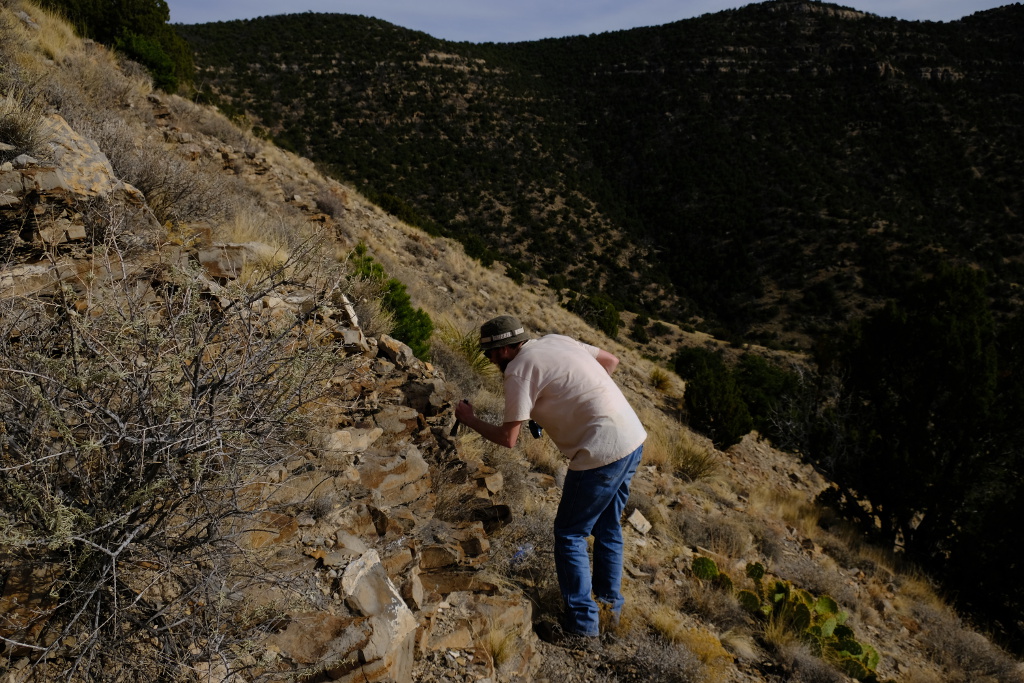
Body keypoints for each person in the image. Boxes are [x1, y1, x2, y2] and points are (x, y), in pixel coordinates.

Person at [454, 314, 646, 640]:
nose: (490, 361)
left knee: (570, 534)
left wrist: (469, 419)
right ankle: (609, 613)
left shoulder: (517, 371)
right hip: (631, 439)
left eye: (488, 354)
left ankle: (582, 628)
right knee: (608, 529)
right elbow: (610, 361)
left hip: (599, 454)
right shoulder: (557, 339)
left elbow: (507, 439)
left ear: (501, 350)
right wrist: (569, 404)